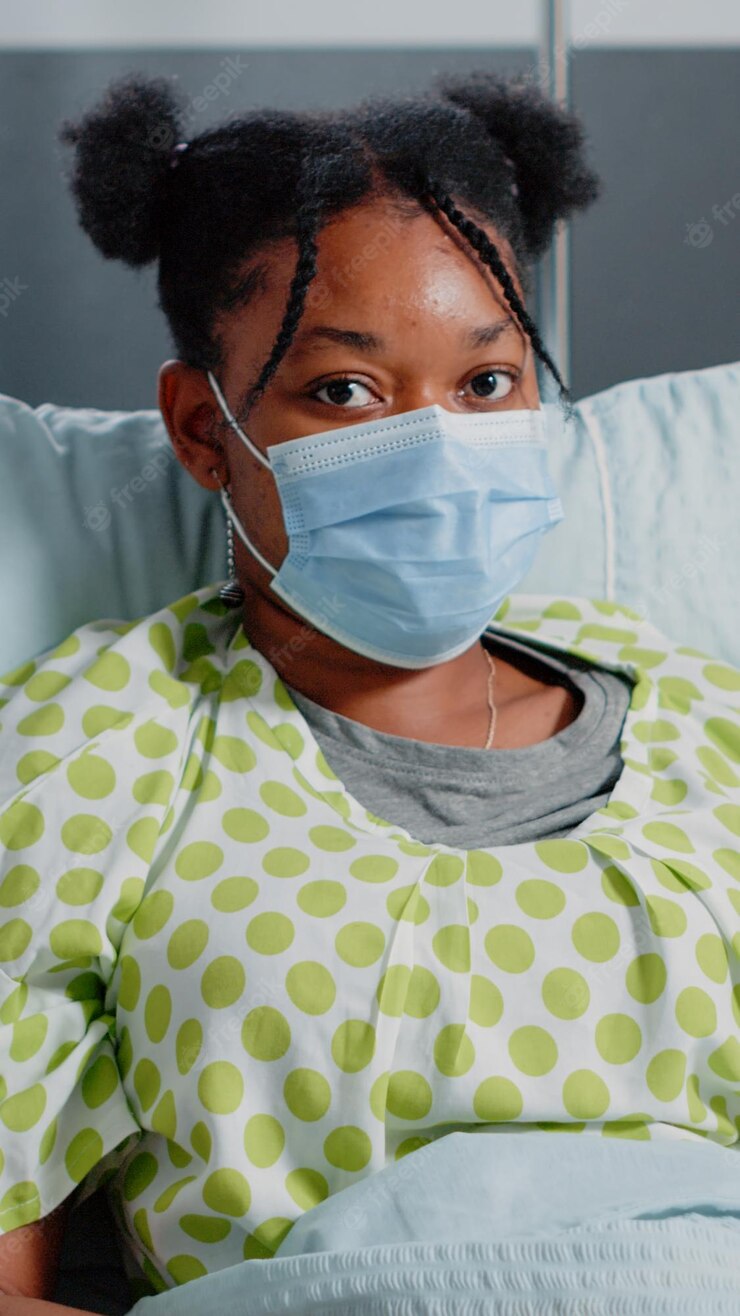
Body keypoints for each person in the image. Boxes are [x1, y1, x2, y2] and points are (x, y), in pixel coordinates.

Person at [0, 69, 737, 1314]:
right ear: (200, 428)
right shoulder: (86, 754)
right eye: (343, 389)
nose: (438, 440)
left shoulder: (704, 726)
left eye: (486, 382)